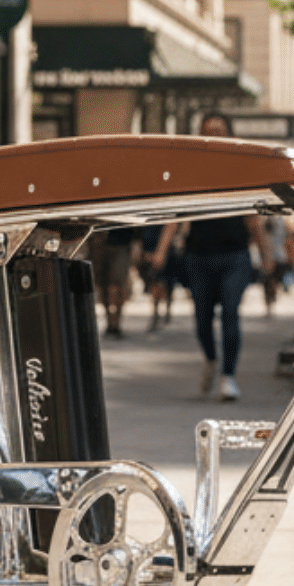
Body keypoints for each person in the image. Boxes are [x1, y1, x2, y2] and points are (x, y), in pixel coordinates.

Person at [153, 112, 273, 401]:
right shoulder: (191, 172)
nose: (214, 135)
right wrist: (160, 251)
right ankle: (210, 359)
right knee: (202, 320)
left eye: (219, 130)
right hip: (199, 256)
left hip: (235, 255)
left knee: (231, 314)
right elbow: (175, 215)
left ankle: (228, 376)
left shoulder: (241, 172)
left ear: (229, 136)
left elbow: (254, 220)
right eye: (209, 131)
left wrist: (266, 255)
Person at [91, 227, 135, 338]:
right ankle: (109, 320)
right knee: (101, 284)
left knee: (117, 284)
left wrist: (137, 242)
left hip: (121, 242)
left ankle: (116, 321)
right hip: (96, 242)